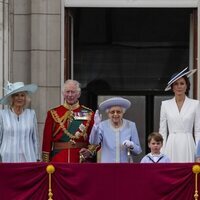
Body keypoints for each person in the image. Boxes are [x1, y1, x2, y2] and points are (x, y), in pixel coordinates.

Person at [42, 79, 97, 163]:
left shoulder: (88, 113)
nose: (70, 95)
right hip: (58, 158)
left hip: (80, 159)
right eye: (67, 92)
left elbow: (95, 137)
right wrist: (46, 162)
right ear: (63, 93)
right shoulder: (53, 113)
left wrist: (89, 151)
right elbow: (46, 140)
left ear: (78, 94)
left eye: (73, 92)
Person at [159, 67, 200, 162]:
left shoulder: (195, 104)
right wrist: (161, 152)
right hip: (172, 144)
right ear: (172, 87)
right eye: (176, 84)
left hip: (188, 143)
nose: (179, 86)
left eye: (182, 83)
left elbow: (198, 131)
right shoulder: (165, 104)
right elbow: (163, 131)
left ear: (186, 86)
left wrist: (199, 153)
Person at [89, 97, 142, 163]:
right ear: (108, 113)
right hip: (108, 167)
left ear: (123, 113)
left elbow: (138, 151)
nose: (115, 114)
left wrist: (131, 145)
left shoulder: (131, 125)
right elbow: (93, 142)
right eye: (112, 112)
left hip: (125, 167)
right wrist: (96, 126)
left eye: (118, 112)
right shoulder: (102, 126)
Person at [0, 81, 40, 162]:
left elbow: (35, 139)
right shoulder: (2, 114)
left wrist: (38, 157)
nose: (20, 98)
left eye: (22, 95)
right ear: (12, 98)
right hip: (7, 158)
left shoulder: (31, 114)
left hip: (28, 158)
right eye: (16, 95)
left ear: (25, 98)